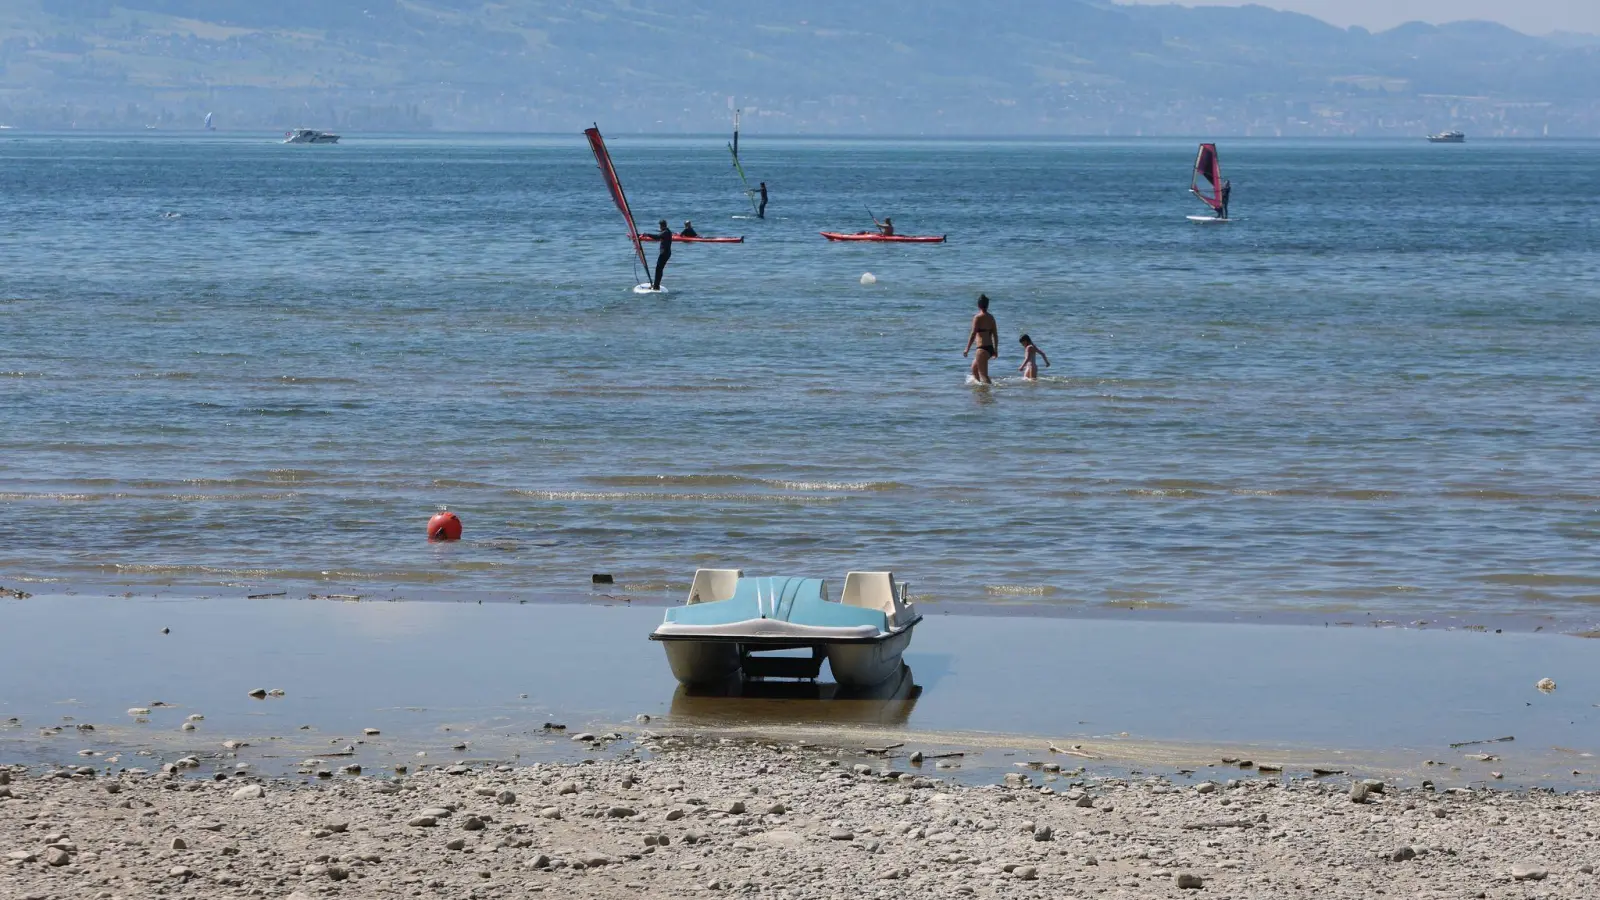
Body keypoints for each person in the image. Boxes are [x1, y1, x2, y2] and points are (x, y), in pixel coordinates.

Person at [962, 294, 999, 384]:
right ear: (987, 305)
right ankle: (981, 392)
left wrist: (967, 349)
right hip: (989, 349)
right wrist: (995, 350)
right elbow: (995, 335)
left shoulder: (977, 317)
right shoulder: (991, 318)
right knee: (974, 368)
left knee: (984, 375)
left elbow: (973, 333)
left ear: (978, 305)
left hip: (982, 349)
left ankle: (988, 395)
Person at [648, 219, 672, 290]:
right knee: (659, 269)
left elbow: (657, 237)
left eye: (660, 225)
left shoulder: (666, 232)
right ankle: (656, 285)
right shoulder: (666, 231)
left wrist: (647, 234)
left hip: (665, 253)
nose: (659, 227)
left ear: (661, 226)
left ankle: (656, 286)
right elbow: (659, 236)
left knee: (659, 269)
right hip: (665, 253)